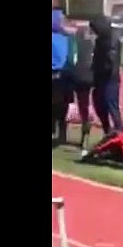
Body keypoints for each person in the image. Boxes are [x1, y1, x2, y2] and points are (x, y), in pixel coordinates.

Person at [89, 15, 123, 141]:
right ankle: (108, 131)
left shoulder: (111, 39)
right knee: (99, 104)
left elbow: (111, 62)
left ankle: (120, 132)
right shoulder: (101, 39)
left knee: (111, 105)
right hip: (100, 77)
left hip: (109, 79)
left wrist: (99, 67)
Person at [70, 24, 98, 150]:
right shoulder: (92, 45)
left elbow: (72, 60)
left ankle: (83, 131)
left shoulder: (76, 45)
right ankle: (85, 133)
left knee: (80, 105)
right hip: (89, 77)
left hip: (78, 77)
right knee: (85, 106)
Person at [51, 8, 73, 144]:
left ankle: (60, 132)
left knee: (60, 104)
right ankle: (59, 131)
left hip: (62, 72)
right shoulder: (64, 37)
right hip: (62, 72)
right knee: (60, 104)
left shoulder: (64, 37)